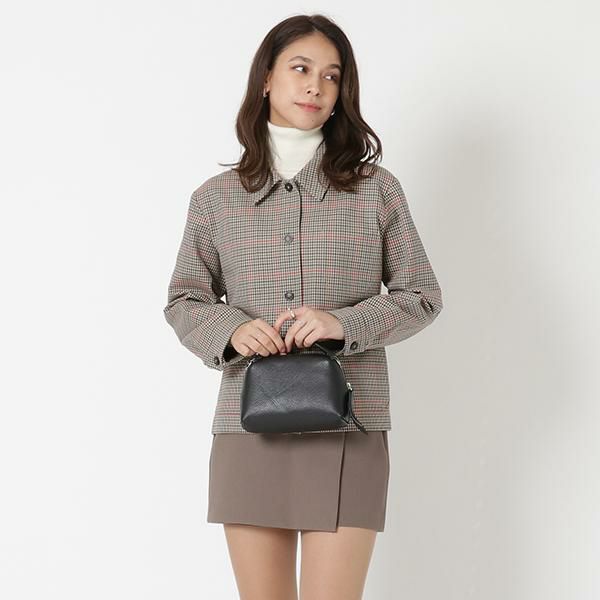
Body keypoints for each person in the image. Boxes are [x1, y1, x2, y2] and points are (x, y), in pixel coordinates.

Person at [163, 13, 443, 600]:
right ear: (267, 78)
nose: (316, 86)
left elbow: (421, 295)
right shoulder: (215, 200)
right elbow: (185, 299)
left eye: (331, 76)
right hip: (247, 426)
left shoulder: (376, 189)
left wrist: (343, 323)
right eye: (301, 68)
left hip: (350, 422)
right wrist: (232, 330)